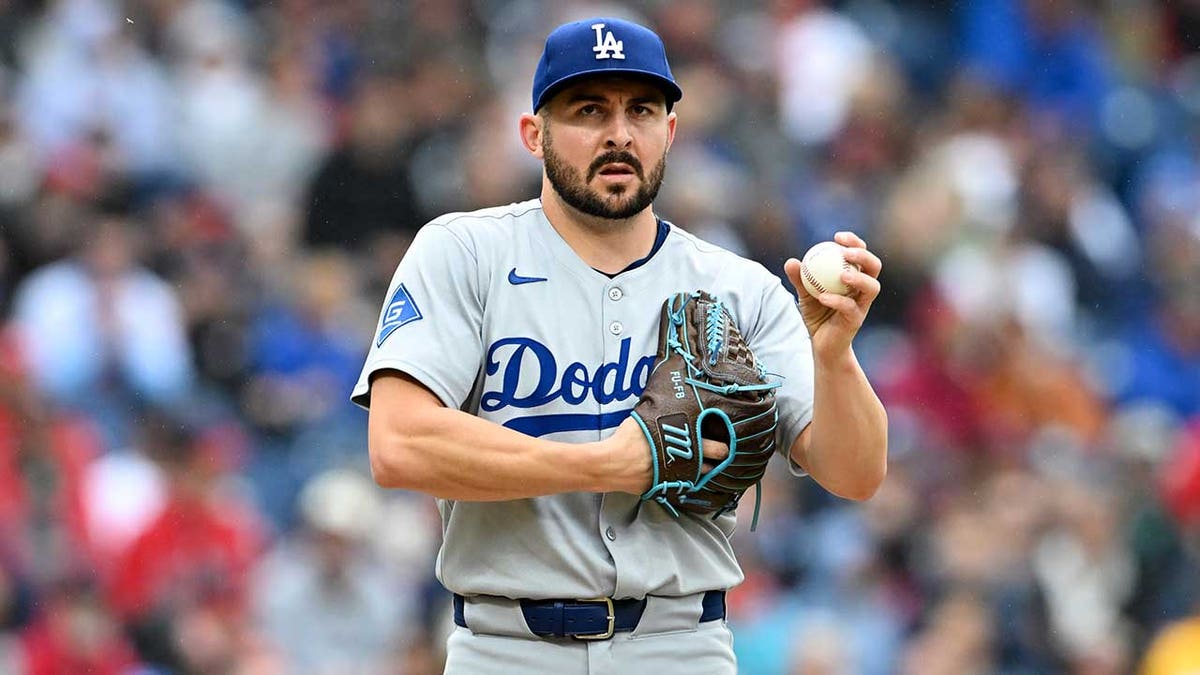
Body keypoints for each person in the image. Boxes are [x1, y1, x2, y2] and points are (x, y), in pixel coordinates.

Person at [351, 16, 887, 674]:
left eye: (641, 110)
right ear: (533, 134)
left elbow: (856, 473)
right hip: (506, 646)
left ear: (670, 132)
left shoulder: (739, 286)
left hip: (680, 643)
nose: (619, 133)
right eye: (588, 110)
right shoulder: (465, 253)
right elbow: (399, 444)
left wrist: (835, 358)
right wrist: (610, 464)